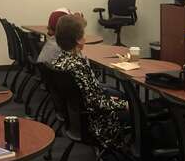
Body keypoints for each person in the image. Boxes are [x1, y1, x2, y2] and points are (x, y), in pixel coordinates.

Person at [52, 14, 128, 149]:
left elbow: (90, 96)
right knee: (137, 111)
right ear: (78, 40)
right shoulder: (78, 65)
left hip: (76, 122)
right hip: (96, 122)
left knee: (116, 95)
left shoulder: (59, 61)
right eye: (83, 34)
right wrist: (125, 104)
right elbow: (96, 103)